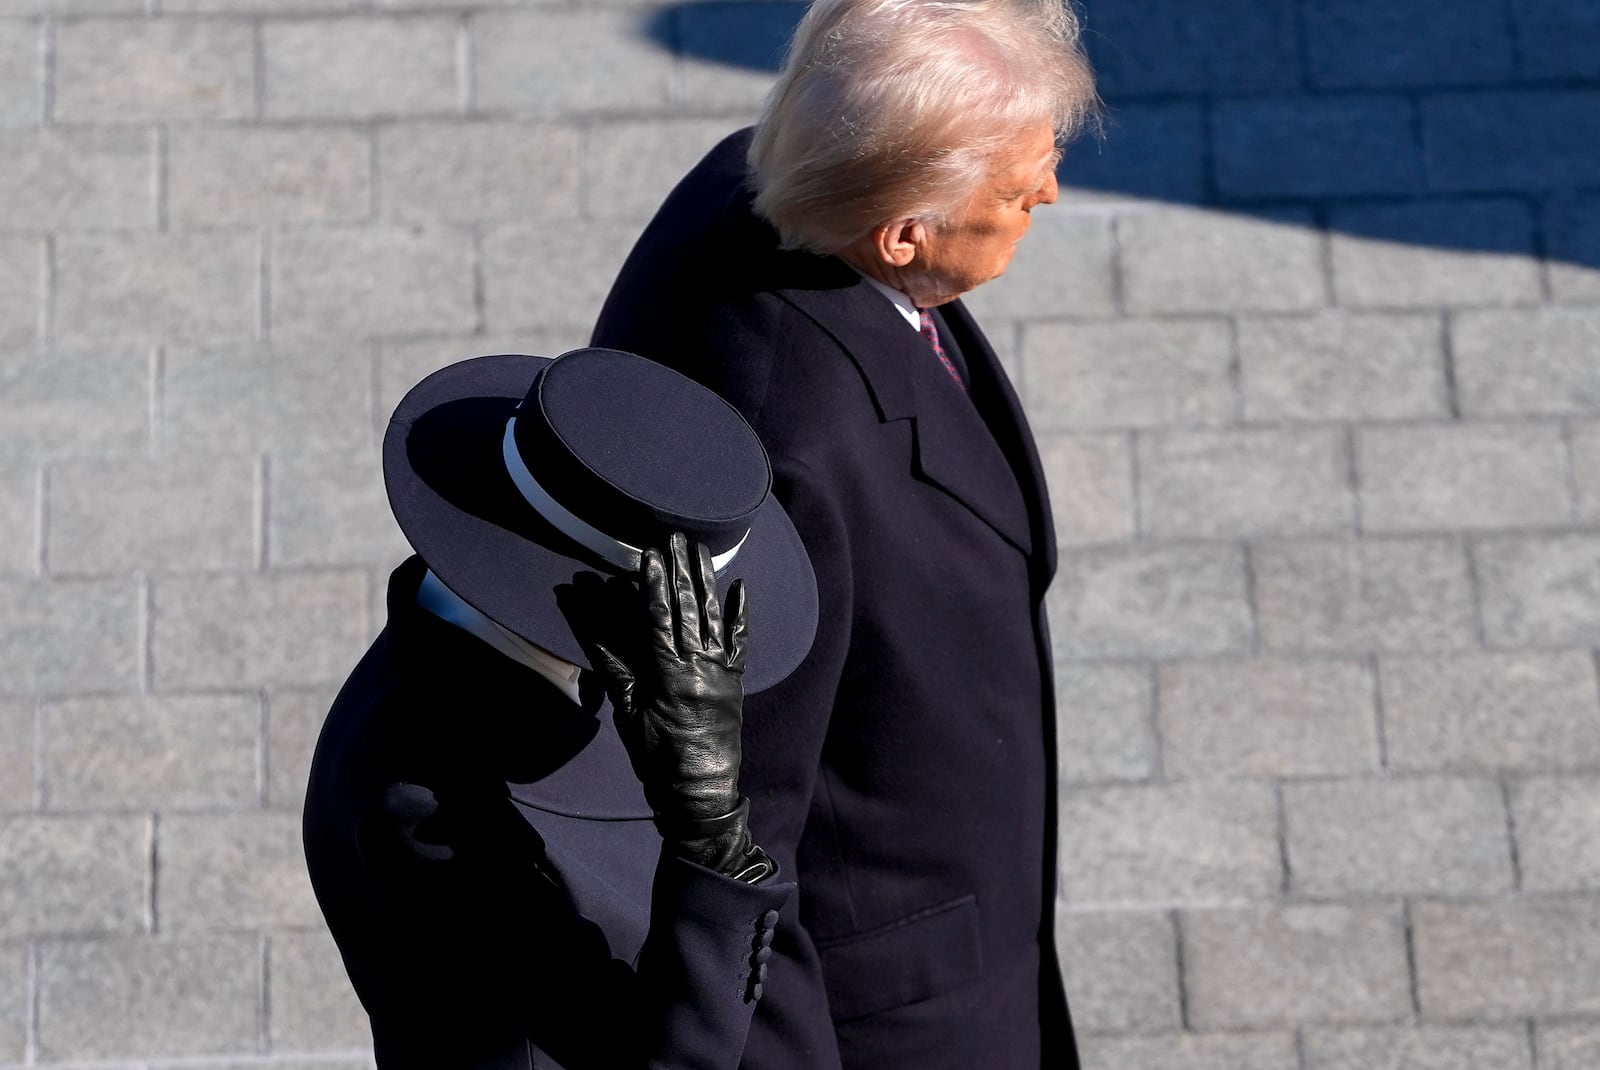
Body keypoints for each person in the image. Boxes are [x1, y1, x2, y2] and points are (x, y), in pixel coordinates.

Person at [590, 1, 1100, 1067]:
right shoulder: (793, 453)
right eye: (1017, 190)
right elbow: (741, 824)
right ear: (901, 232)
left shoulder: (756, 175)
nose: (1048, 192)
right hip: (900, 1011)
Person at [302, 347, 820, 1068]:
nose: (696, 639)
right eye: (683, 611)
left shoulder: (581, 670)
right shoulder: (423, 800)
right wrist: (708, 832)